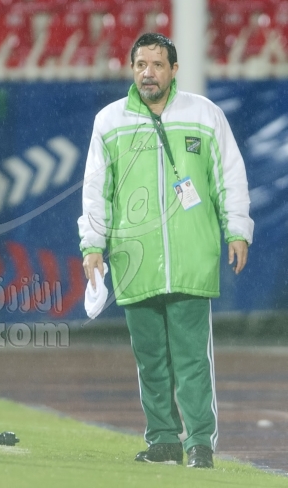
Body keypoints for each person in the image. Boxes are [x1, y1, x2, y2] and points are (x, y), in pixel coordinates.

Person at [78, 33, 253, 469]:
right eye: (141, 64)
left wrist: (237, 230)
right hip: (134, 260)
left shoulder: (204, 114)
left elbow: (229, 175)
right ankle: (163, 441)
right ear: (131, 68)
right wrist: (93, 244)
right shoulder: (109, 121)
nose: (148, 73)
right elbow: (97, 190)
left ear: (174, 70)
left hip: (192, 257)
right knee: (150, 360)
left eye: (157, 65)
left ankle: (199, 444)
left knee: (192, 360)